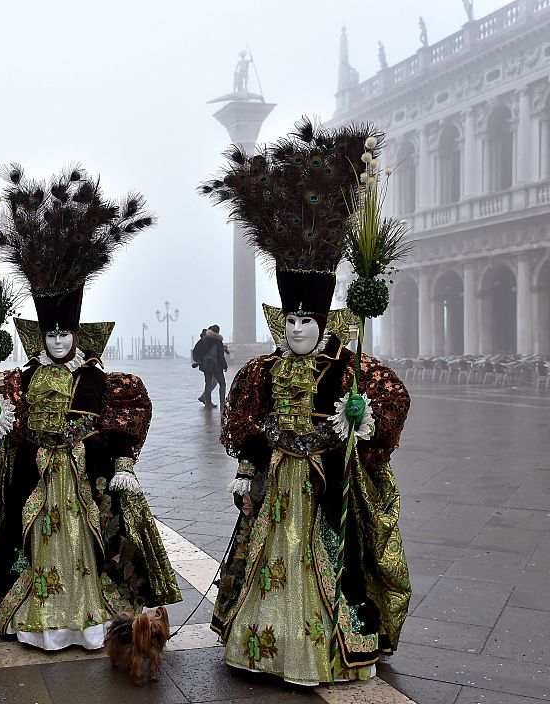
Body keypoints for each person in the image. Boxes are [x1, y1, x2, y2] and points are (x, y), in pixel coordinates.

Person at [201, 119, 410, 685]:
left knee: (324, 559)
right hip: (277, 483)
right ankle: (263, 643)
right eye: (290, 319)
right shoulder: (262, 371)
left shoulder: (347, 367)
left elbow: (387, 401)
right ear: (281, 320)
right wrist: (247, 473)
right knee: (269, 556)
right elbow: (249, 427)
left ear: (323, 321)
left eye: (306, 320)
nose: (296, 328)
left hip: (323, 482)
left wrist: (357, 418)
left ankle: (321, 645)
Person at [0, 164, 180, 650]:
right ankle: (39, 619)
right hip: (38, 474)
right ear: (41, 333)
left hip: (82, 474)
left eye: (64, 331)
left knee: (88, 540)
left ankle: (88, 618)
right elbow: (7, 421)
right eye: (50, 331)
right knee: (36, 542)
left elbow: (120, 425)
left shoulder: (99, 378)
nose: (57, 339)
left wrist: (122, 464)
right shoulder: (24, 375)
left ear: (76, 332)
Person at [192, 325, 228, 408]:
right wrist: (224, 365)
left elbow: (196, 352)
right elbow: (220, 356)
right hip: (217, 367)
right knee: (222, 384)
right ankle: (222, 403)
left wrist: (199, 361)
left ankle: (208, 403)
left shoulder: (203, 340)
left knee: (208, 384)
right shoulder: (218, 341)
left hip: (206, 366)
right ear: (217, 332)